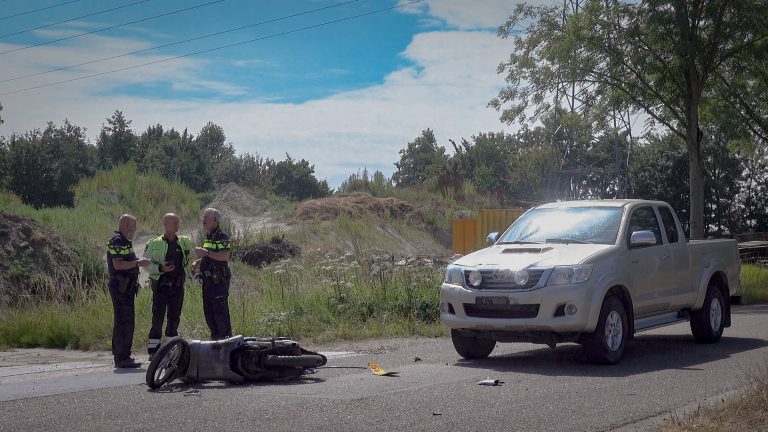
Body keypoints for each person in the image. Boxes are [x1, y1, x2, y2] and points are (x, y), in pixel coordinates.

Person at [143, 213, 194, 359]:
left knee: (174, 318)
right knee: (157, 318)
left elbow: (192, 258)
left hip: (177, 286)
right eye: (174, 222)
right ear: (165, 223)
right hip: (160, 286)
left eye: (178, 222)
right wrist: (160, 269)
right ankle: (153, 350)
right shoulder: (154, 243)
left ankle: (170, 349)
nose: (177, 225)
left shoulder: (184, 242)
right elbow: (145, 265)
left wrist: (194, 268)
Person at [106, 214, 150, 368]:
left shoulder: (124, 241)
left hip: (126, 287)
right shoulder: (117, 241)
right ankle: (122, 357)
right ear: (126, 226)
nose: (135, 230)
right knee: (124, 322)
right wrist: (138, 263)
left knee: (126, 321)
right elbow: (118, 265)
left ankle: (123, 355)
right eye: (133, 226)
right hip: (120, 287)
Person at [191, 208, 232, 340]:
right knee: (209, 313)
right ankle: (215, 340)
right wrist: (198, 262)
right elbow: (210, 257)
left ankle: (225, 343)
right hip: (208, 282)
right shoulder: (209, 237)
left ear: (216, 221)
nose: (204, 219)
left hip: (218, 282)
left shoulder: (222, 237)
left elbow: (225, 256)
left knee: (220, 314)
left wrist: (206, 253)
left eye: (207, 217)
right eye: (203, 217)